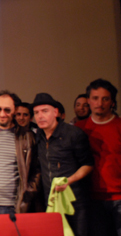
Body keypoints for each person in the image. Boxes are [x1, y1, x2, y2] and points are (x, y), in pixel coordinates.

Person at [33, 93, 94, 236]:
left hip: (75, 201)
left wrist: (69, 180)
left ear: (55, 112)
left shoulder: (73, 134)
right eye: (36, 112)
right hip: (51, 201)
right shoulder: (38, 136)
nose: (40, 116)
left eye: (44, 111)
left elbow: (88, 164)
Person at [76, 79, 121, 236]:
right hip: (91, 198)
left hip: (119, 196)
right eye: (95, 98)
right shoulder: (79, 129)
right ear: (88, 100)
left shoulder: (119, 126)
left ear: (112, 102)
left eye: (105, 98)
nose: (99, 103)